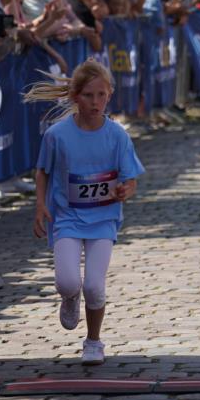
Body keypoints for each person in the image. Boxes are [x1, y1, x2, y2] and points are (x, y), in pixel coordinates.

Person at [26, 59, 145, 365]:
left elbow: (129, 177)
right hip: (67, 216)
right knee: (68, 282)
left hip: (103, 219)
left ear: (110, 95)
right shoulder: (57, 135)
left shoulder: (117, 135)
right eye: (89, 95)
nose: (96, 102)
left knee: (94, 285)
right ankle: (69, 297)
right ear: (75, 97)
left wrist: (125, 190)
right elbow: (43, 171)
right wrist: (40, 205)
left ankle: (93, 341)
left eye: (102, 95)